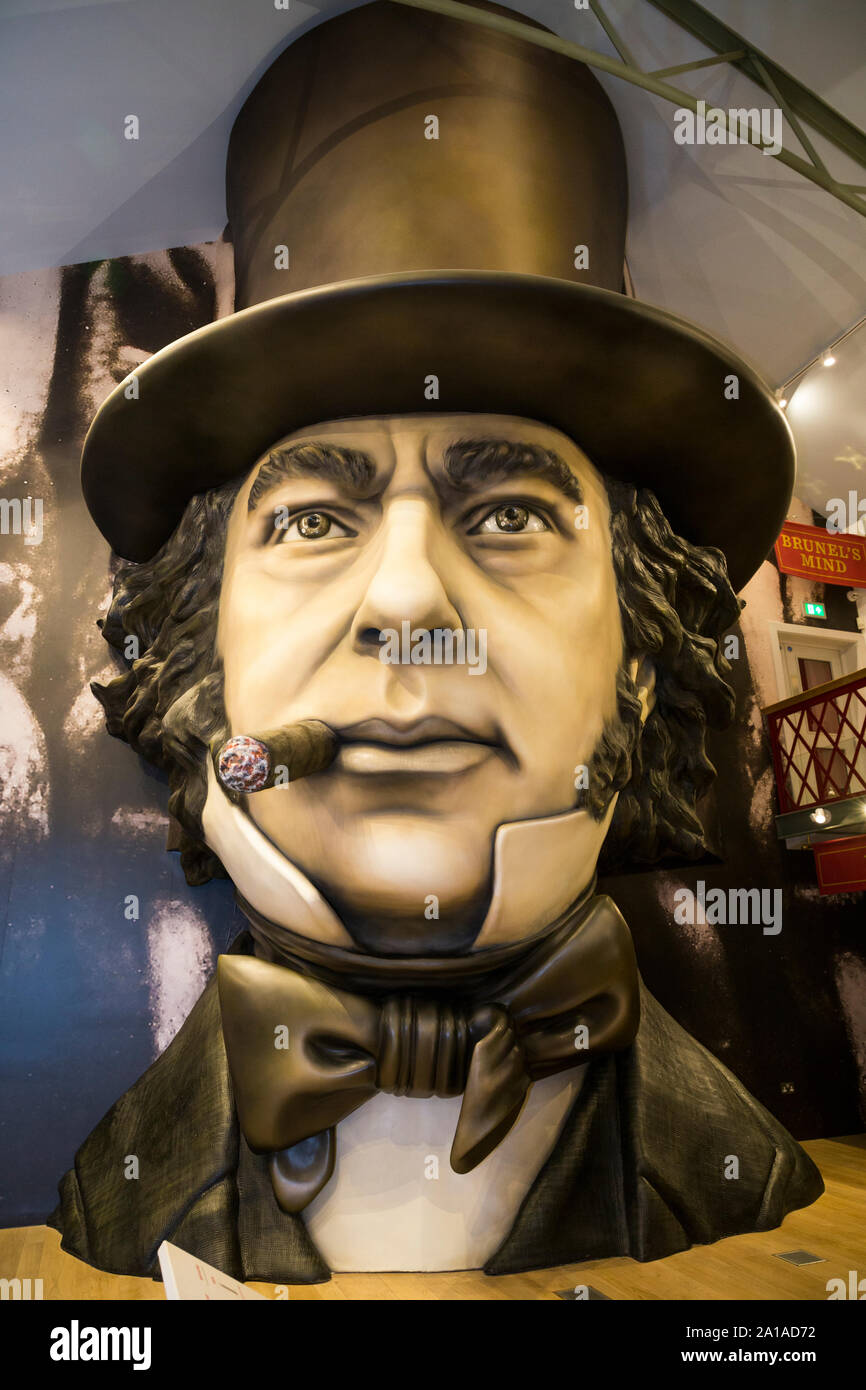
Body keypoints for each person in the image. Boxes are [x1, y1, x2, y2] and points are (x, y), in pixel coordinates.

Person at [50, 1, 822, 1281]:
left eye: (510, 511)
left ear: (639, 648)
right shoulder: (113, 1196)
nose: (407, 602)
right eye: (311, 518)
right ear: (201, 655)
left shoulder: (742, 1183)